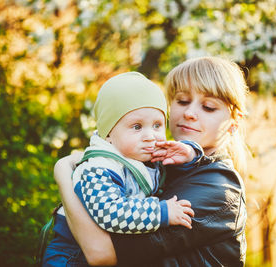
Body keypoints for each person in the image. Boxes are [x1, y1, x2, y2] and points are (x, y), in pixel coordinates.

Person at [54, 56, 249, 266]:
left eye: (208, 107)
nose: (190, 113)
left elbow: (101, 253)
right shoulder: (156, 162)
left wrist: (63, 172)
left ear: (233, 122)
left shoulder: (217, 187)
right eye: (182, 101)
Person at [42, 72, 203, 266]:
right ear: (109, 133)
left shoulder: (143, 156)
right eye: (137, 127)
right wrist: (162, 212)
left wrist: (190, 153)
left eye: (157, 125)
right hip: (71, 257)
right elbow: (109, 213)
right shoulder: (100, 167)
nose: (150, 136)